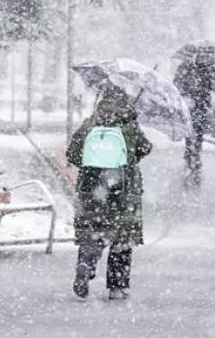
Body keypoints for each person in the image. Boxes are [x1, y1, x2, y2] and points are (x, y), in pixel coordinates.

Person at [66, 85, 153, 300]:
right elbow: (146, 148)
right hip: (123, 189)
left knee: (93, 229)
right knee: (122, 237)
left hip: (91, 187)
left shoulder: (90, 123)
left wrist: (94, 164)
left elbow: (72, 154)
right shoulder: (130, 125)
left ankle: (86, 263)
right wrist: (127, 157)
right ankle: (117, 287)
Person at [173, 54, 215, 189]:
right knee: (196, 129)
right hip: (198, 104)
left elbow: (176, 84)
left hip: (194, 104)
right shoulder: (207, 67)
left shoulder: (186, 67)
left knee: (193, 129)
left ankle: (191, 151)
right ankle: (194, 151)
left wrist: (185, 93)